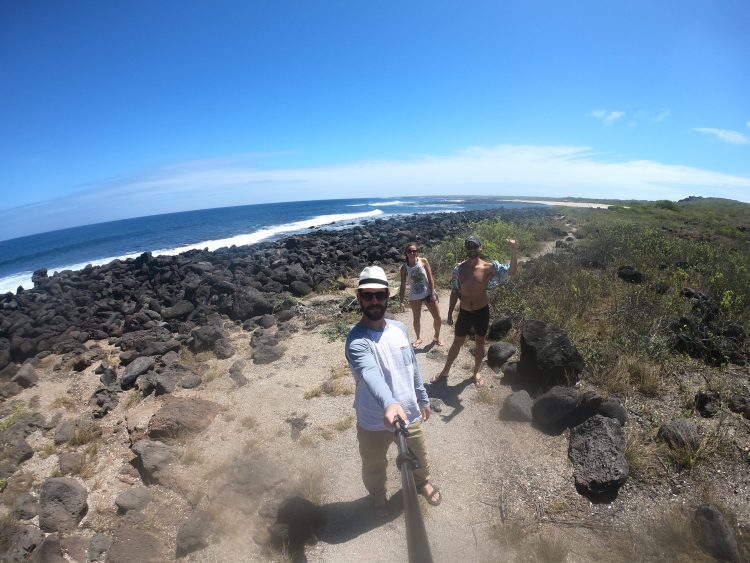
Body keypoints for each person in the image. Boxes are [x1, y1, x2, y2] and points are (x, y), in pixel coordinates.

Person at [346, 265, 441, 516]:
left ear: (388, 295)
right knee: (374, 464)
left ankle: (422, 482)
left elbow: (412, 365)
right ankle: (378, 497)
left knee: (418, 452)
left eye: (379, 295)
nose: (374, 301)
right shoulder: (356, 341)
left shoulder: (399, 329)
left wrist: (422, 397)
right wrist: (389, 402)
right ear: (359, 298)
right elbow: (370, 374)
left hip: (408, 411)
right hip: (373, 420)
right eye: (368, 295)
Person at [432, 236, 518, 387]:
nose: (472, 250)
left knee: (480, 342)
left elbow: (511, 271)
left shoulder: (488, 267)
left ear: (480, 247)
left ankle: (476, 372)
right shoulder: (459, 268)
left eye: (475, 247)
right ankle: (445, 371)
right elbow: (455, 290)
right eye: (469, 247)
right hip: (464, 312)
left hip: (481, 312)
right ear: (466, 249)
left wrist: (513, 251)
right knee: (457, 342)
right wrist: (450, 313)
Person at [398, 242, 442, 348]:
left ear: (417, 252)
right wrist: (401, 301)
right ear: (406, 253)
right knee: (416, 318)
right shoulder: (404, 268)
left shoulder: (423, 261)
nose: (412, 253)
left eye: (414, 251)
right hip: (414, 296)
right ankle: (418, 338)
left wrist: (432, 293)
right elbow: (403, 285)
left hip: (428, 293)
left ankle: (437, 336)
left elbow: (430, 278)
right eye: (409, 251)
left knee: (438, 317)